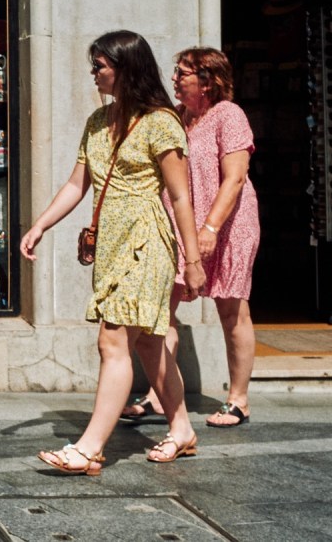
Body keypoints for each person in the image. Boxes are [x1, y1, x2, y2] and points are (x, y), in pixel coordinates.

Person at [20, 31, 207, 475]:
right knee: (150, 344)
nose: (93, 74)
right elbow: (76, 184)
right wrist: (41, 225)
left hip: (145, 241)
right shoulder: (97, 122)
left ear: (126, 69)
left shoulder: (162, 122)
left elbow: (180, 196)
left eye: (100, 66)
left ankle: (89, 448)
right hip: (111, 242)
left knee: (113, 340)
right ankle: (182, 429)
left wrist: (193, 260)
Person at [121, 46, 261, 429]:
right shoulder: (177, 117)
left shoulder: (229, 114)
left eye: (182, 73)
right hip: (181, 225)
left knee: (232, 310)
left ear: (207, 81)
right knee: (161, 310)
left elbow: (235, 178)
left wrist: (210, 228)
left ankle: (238, 400)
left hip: (227, 224)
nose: (174, 78)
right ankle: (159, 395)